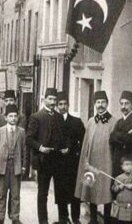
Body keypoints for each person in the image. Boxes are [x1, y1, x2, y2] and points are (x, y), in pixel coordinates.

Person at [0, 90, 26, 220]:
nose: (8, 103)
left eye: (11, 101)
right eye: (6, 101)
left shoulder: (21, 117)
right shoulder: (2, 116)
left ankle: (13, 215)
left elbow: (22, 142)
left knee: (14, 191)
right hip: (1, 158)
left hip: (15, 158)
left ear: (15, 101)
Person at [75, 91, 117, 224]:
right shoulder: (90, 121)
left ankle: (107, 220)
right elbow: (86, 145)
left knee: (106, 193)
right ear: (94, 104)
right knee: (91, 190)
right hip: (91, 163)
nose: (100, 105)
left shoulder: (114, 122)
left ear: (107, 103)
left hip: (107, 162)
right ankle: (93, 219)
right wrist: (85, 162)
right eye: (98, 102)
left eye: (103, 102)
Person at [26, 88, 67, 224]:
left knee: (61, 191)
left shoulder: (59, 116)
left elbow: (63, 137)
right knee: (43, 193)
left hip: (58, 160)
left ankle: (63, 219)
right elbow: (29, 139)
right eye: (50, 99)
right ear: (44, 99)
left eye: (55, 100)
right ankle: (43, 221)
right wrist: (40, 148)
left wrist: (65, 148)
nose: (52, 102)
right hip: (44, 161)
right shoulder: (36, 117)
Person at [53, 92, 85, 224]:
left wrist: (71, 150)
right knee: (60, 190)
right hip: (58, 161)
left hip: (73, 162)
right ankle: (63, 217)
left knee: (74, 190)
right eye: (60, 104)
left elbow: (83, 141)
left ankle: (75, 217)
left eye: (65, 104)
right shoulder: (53, 121)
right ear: (57, 106)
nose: (62, 107)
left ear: (68, 105)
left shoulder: (76, 122)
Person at [0, 105, 26, 224]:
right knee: (2, 193)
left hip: (15, 166)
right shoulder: (1, 131)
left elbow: (24, 150)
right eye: (10, 116)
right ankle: (0, 217)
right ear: (6, 118)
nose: (13, 118)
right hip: (3, 166)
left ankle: (15, 217)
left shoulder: (21, 131)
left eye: (15, 116)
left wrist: (23, 166)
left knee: (15, 194)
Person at [110, 91, 132, 177]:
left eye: (126, 104)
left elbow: (130, 139)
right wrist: (124, 134)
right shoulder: (119, 122)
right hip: (118, 162)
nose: (123, 107)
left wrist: (117, 135)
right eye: (121, 104)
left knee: (129, 188)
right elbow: (111, 139)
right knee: (116, 187)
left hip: (131, 162)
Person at [111, 156, 132, 224]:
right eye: (126, 165)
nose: (128, 167)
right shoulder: (119, 177)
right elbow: (114, 189)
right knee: (121, 222)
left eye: (130, 165)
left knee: (130, 222)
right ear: (122, 167)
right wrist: (119, 187)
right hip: (122, 206)